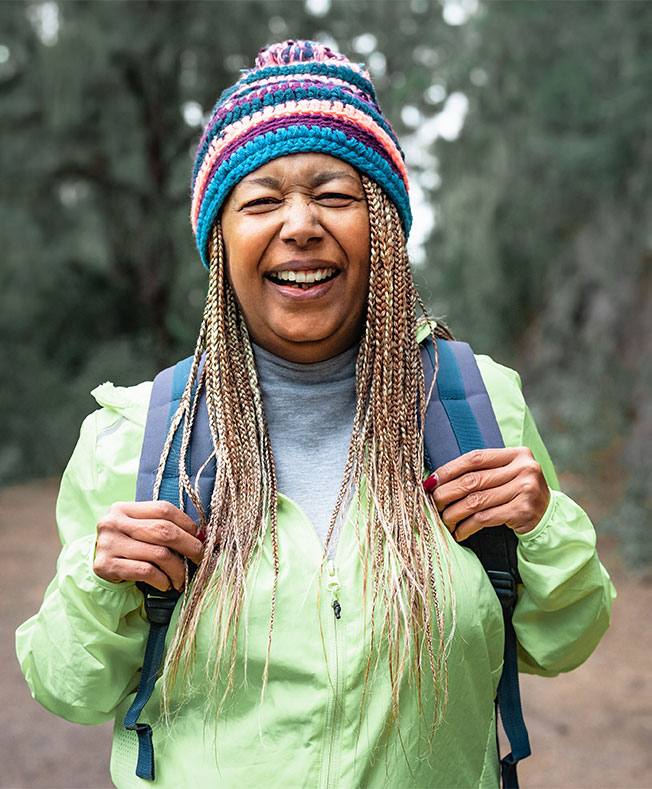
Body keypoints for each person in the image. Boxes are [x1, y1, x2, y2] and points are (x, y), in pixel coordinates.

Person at [16, 40, 615, 788]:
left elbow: (565, 640)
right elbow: (68, 687)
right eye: (262, 200)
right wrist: (99, 581)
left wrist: (541, 523)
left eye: (335, 195)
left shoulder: (474, 407)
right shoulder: (139, 436)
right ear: (219, 241)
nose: (300, 225)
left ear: (385, 232)